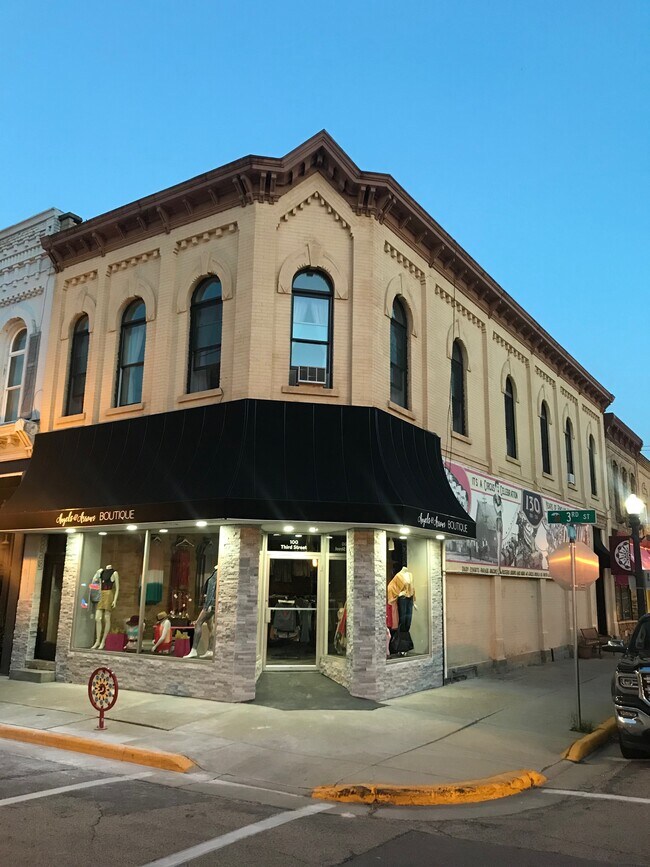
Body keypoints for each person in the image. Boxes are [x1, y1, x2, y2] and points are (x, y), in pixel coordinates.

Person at [184, 566, 217, 659]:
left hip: (210, 604)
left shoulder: (216, 573)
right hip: (213, 604)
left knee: (198, 623)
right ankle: (210, 650)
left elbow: (212, 590)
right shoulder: (216, 573)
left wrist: (207, 605)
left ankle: (194, 650)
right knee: (211, 626)